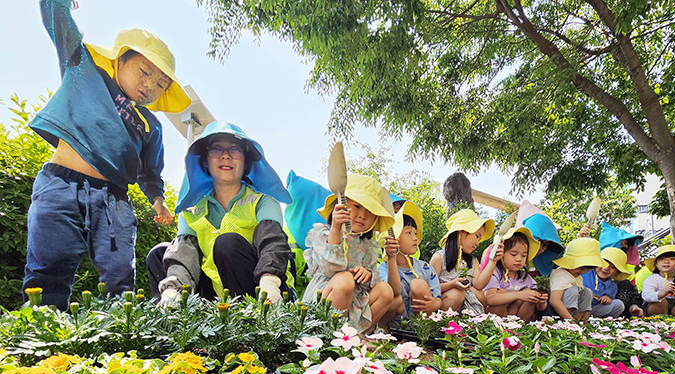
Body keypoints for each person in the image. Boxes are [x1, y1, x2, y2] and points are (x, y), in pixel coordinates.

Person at [23, 0, 190, 309]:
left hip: (114, 199)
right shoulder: (83, 70)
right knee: (49, 265)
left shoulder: (150, 125)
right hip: (59, 185)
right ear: (119, 62)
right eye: (144, 71)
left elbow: (150, 172)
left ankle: (118, 335)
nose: (150, 85)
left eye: (160, 83)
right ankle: (42, 333)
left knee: (120, 274)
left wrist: (158, 201)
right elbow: (58, 23)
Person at [147, 122, 292, 304]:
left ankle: (251, 322)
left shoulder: (263, 201)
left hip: (264, 290)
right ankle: (172, 313)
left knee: (227, 242)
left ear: (246, 161)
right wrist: (172, 290)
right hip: (217, 294)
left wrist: (269, 282)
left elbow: (272, 244)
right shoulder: (191, 211)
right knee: (160, 253)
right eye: (216, 149)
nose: (225, 156)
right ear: (205, 161)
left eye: (234, 149)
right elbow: (184, 253)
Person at [302, 174, 396, 333]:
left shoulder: (367, 245)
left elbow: (373, 282)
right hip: (326, 301)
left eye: (370, 211)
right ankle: (327, 336)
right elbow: (329, 268)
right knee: (345, 280)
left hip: (354, 304)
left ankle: (355, 336)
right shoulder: (323, 233)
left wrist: (367, 274)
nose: (363, 215)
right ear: (340, 206)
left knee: (385, 290)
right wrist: (336, 229)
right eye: (357, 206)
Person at [378, 201, 442, 323]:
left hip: (420, 322)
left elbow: (438, 298)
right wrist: (391, 258)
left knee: (418, 284)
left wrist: (434, 305)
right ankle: (384, 332)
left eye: (415, 233)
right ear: (394, 238)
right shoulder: (382, 269)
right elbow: (392, 292)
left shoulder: (425, 268)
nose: (415, 238)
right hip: (394, 325)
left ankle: (423, 330)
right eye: (408, 232)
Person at [430, 209, 496, 314]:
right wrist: (452, 284)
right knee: (457, 294)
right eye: (477, 236)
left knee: (479, 294)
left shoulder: (473, 261)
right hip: (442, 304)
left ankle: (463, 322)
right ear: (461, 231)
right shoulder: (439, 257)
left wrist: (493, 261)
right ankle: (443, 324)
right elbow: (430, 288)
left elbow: (479, 285)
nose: (477, 243)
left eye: (479, 239)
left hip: (463, 307)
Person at [484, 227, 546, 321]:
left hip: (518, 319)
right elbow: (490, 298)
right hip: (496, 318)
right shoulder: (495, 271)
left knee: (530, 295)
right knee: (502, 293)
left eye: (523, 255)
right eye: (513, 254)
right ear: (501, 254)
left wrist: (541, 302)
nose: (519, 259)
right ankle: (498, 329)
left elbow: (540, 308)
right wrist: (519, 295)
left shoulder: (525, 277)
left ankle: (520, 328)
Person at [548, 238, 606, 323]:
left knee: (587, 292)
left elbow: (585, 301)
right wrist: (571, 322)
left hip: (573, 314)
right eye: (580, 269)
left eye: (586, 270)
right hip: (557, 313)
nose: (582, 272)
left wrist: (584, 324)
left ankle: (579, 323)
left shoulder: (577, 276)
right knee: (573, 290)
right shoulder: (560, 275)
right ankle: (565, 324)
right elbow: (554, 300)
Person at [581, 247, 633, 318]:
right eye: (604, 263)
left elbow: (608, 302)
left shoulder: (613, 287)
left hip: (592, 310)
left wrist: (607, 299)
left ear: (618, 272)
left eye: (613, 267)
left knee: (619, 305)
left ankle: (597, 321)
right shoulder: (585, 272)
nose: (606, 268)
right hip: (577, 307)